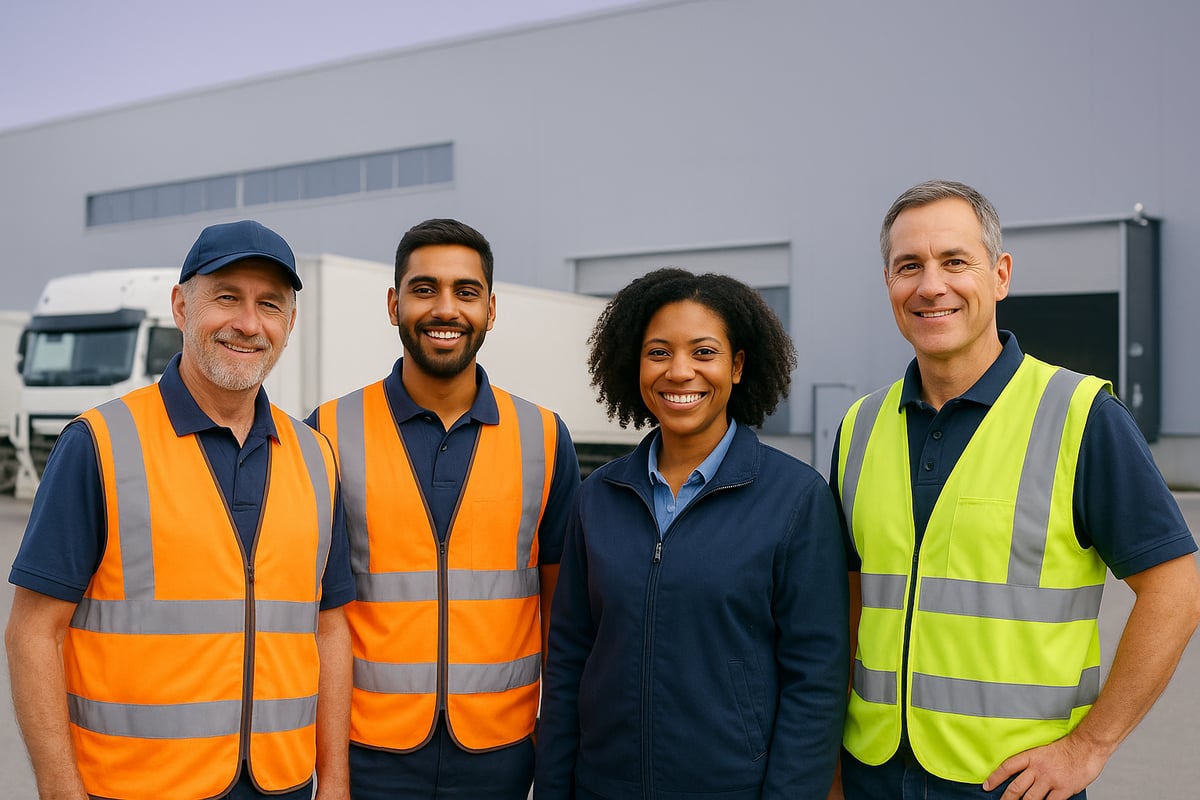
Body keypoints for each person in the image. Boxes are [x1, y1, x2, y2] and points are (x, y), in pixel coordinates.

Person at [831, 179, 1200, 800]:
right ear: (889, 284)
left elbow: (1176, 590)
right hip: (873, 776)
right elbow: (851, 600)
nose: (931, 285)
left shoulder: (1082, 416)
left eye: (955, 261)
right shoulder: (860, 427)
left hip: (1011, 786)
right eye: (908, 266)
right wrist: (834, 768)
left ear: (1000, 275)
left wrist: (1091, 745)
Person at [4, 219, 355, 800]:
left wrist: (334, 781)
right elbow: (32, 633)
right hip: (135, 788)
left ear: (289, 325)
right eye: (226, 297)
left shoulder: (315, 457)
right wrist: (60, 788)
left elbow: (329, 627)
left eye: (270, 305)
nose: (248, 323)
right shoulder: (98, 444)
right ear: (181, 306)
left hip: (284, 785)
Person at [535, 268, 850, 799]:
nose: (680, 372)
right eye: (659, 352)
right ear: (635, 365)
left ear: (738, 366)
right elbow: (568, 661)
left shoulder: (796, 498)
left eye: (703, 352)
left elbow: (815, 682)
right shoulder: (598, 498)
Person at [308, 218, 580, 800]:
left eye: (466, 291)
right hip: (367, 754)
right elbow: (312, 613)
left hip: (502, 756)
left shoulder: (544, 437)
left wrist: (551, 745)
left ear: (491, 308)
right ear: (393, 303)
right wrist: (330, 769)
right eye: (424, 288)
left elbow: (562, 614)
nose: (445, 308)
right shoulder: (326, 434)